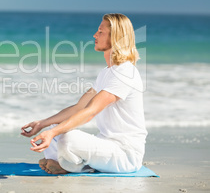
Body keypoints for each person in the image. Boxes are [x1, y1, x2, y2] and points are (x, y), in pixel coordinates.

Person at [21, 13, 147, 174]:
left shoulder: (125, 72)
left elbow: (90, 112)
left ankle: (73, 166)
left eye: (101, 32)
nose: (95, 35)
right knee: (55, 127)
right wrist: (42, 124)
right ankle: (62, 163)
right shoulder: (106, 73)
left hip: (126, 154)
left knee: (67, 138)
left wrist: (53, 133)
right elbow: (79, 107)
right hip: (105, 144)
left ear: (116, 37)